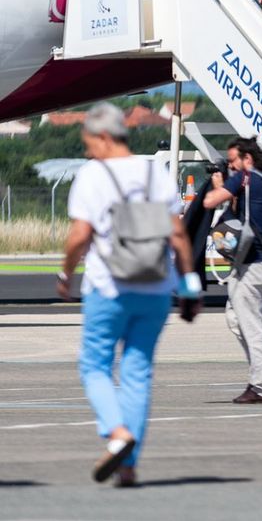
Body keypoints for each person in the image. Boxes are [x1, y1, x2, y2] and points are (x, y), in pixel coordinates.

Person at [57, 103, 200, 486]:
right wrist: (189, 286)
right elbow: (178, 235)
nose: (87, 150)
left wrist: (65, 272)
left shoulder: (93, 175)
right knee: (138, 372)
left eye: (88, 142)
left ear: (103, 137)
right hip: (155, 287)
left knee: (95, 366)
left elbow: (80, 236)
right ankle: (128, 465)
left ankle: (116, 433)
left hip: (109, 287)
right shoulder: (155, 172)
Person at [202, 136, 262, 404]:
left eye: (233, 160)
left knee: (251, 323)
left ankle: (260, 386)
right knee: (235, 318)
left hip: (254, 260)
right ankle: (258, 377)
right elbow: (242, 213)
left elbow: (210, 201)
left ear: (247, 159)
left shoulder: (245, 178)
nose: (231, 165)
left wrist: (219, 185)